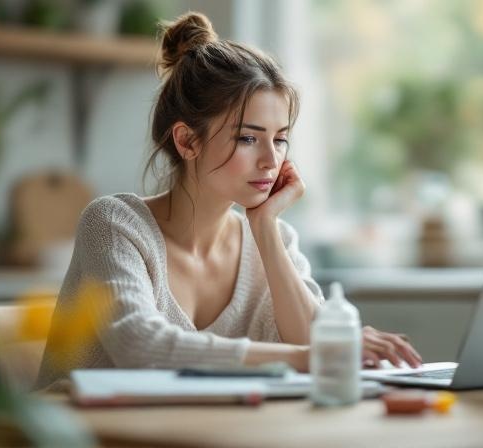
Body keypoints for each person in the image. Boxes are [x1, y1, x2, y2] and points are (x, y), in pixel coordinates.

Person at [35, 12, 422, 390]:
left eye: (280, 138)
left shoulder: (275, 241)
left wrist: (266, 229)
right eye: (248, 138)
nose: (273, 160)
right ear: (187, 141)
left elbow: (311, 345)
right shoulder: (114, 224)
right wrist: (306, 356)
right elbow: (141, 347)